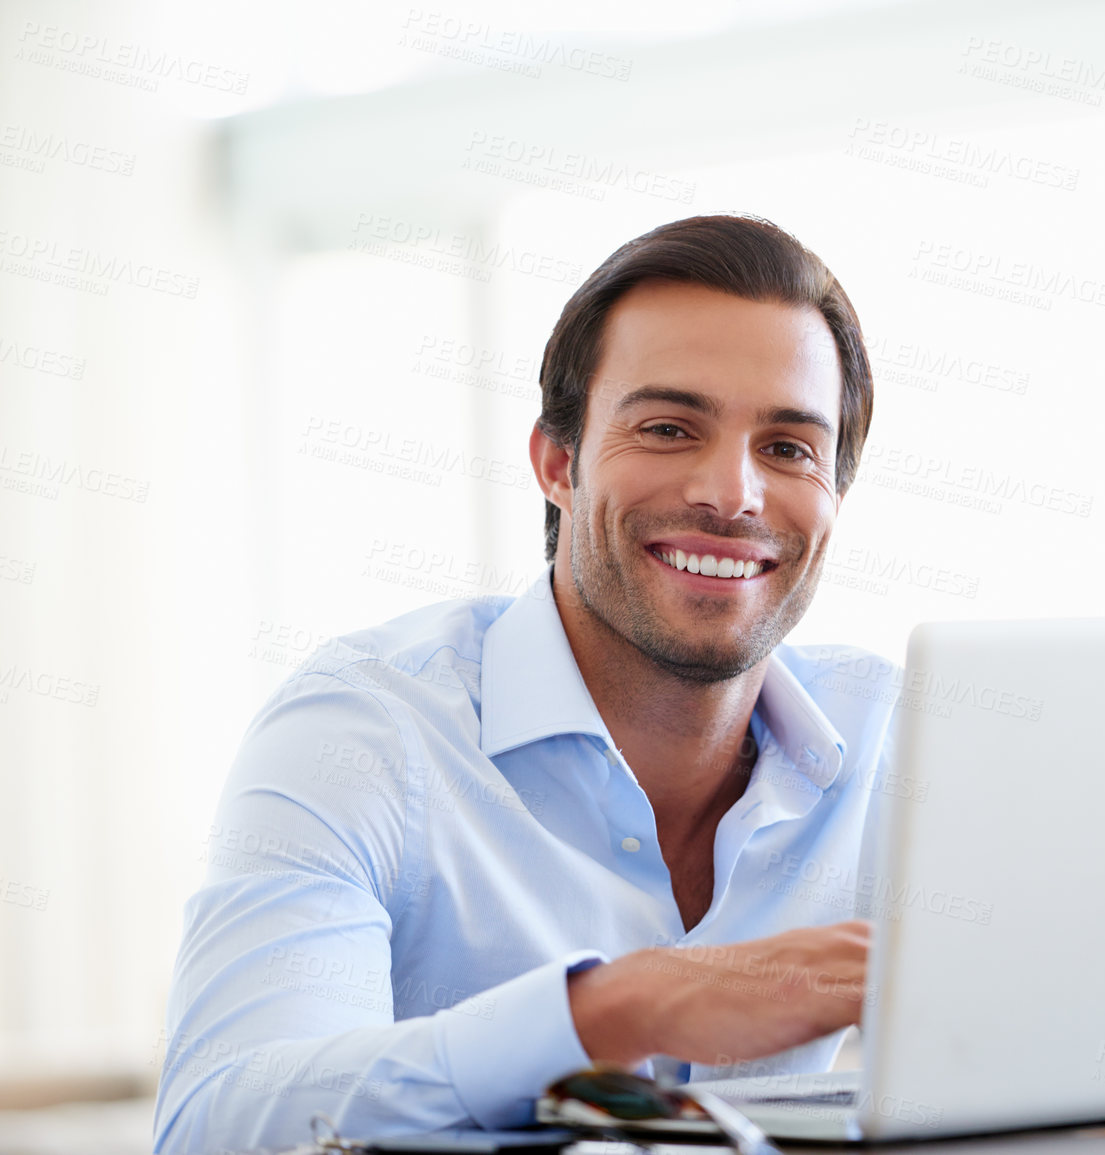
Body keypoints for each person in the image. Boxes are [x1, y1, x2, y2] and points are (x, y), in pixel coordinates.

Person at [152, 215, 901, 1153]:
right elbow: (221, 1122)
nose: (731, 493)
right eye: (668, 428)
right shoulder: (364, 727)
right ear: (558, 462)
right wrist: (620, 1007)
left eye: (788, 448)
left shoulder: (901, 740)